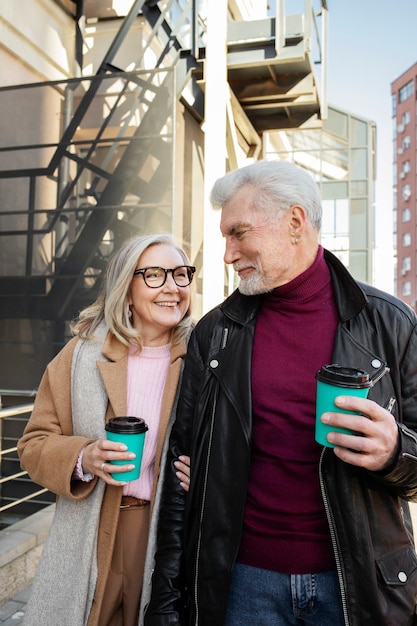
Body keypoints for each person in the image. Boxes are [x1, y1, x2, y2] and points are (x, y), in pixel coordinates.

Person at [144, 160, 417, 626]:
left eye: (238, 232)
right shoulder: (215, 333)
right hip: (241, 586)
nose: (227, 254)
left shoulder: (391, 323)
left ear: (294, 222)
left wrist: (395, 451)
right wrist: (166, 605)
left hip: (358, 585)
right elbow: (180, 479)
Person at [18, 233, 194, 626]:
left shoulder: (204, 359)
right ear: (126, 289)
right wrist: (83, 457)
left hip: (168, 534)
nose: (172, 287)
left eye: (181, 275)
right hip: (91, 530)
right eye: (154, 275)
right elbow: (33, 444)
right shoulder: (81, 354)